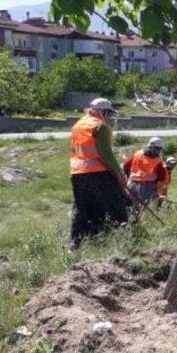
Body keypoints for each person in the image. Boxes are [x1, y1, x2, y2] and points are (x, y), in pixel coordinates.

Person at [69, 98, 130, 249]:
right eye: (108, 113)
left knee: (83, 208)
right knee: (116, 205)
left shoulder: (78, 125)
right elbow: (106, 154)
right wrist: (120, 175)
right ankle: (125, 239)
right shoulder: (100, 127)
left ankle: (76, 244)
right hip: (98, 173)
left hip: (77, 174)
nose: (109, 117)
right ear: (102, 112)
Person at [124, 136, 168, 205]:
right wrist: (159, 193)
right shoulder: (158, 161)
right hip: (147, 187)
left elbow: (125, 166)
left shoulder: (137, 154)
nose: (158, 151)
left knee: (131, 206)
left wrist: (129, 178)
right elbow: (162, 178)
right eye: (158, 149)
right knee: (143, 209)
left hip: (131, 185)